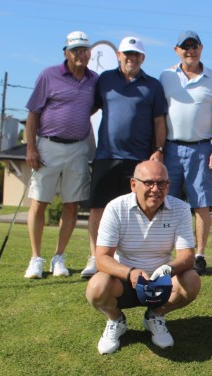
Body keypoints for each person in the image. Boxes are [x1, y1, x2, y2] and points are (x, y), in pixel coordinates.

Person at [86, 160, 200, 354]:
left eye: (161, 183)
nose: (156, 189)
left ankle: (155, 316)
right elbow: (102, 258)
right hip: (123, 281)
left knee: (192, 281)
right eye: (148, 183)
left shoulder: (180, 209)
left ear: (168, 185)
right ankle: (116, 320)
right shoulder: (115, 207)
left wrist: (167, 269)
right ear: (133, 184)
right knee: (97, 287)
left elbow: (187, 257)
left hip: (161, 282)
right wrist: (130, 273)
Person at [82, 36, 168, 279]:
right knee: (98, 208)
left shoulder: (153, 86)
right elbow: (88, 108)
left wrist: (159, 149)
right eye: (127, 54)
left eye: (136, 54)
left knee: (134, 210)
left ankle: (126, 259)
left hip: (138, 160)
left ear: (143, 58)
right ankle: (96, 257)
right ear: (119, 55)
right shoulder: (105, 80)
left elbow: (159, 121)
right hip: (106, 155)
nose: (131, 58)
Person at [23, 31, 98, 279]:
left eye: (84, 50)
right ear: (66, 52)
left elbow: (92, 107)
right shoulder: (49, 74)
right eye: (75, 50)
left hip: (78, 148)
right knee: (39, 202)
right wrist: (31, 147)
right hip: (48, 145)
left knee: (71, 204)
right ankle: (36, 259)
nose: (81, 54)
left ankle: (59, 257)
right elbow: (33, 113)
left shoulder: (94, 80)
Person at [160, 30, 212, 276]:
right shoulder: (166, 76)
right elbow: (158, 116)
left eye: (194, 46)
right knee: (166, 202)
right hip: (170, 147)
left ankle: (199, 255)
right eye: (185, 47)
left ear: (201, 48)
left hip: (202, 148)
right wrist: (157, 149)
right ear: (176, 50)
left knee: (201, 204)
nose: (190, 51)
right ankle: (167, 254)